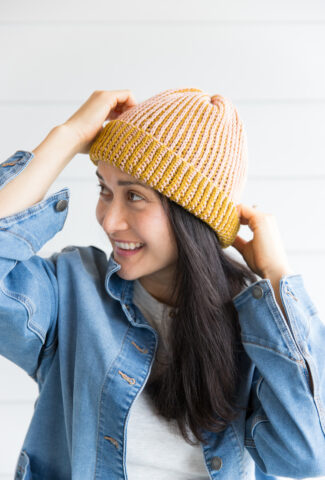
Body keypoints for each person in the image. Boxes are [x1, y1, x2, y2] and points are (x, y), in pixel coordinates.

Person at [0, 88, 324, 480]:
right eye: (105, 190)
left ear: (191, 215)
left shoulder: (253, 324)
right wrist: (67, 136)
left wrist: (276, 280)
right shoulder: (72, 292)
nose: (109, 220)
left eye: (134, 196)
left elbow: (308, 454)